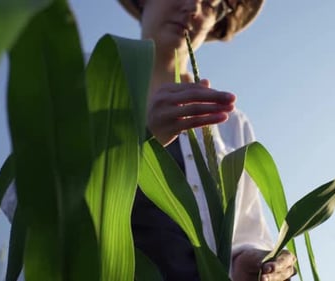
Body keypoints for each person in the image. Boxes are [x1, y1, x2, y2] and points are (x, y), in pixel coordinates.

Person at [119, 0, 297, 280]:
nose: (193, 8)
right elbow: (42, 199)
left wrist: (251, 260)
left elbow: (246, 234)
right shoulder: (80, 83)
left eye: (211, 4)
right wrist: (142, 143)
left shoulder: (230, 123)